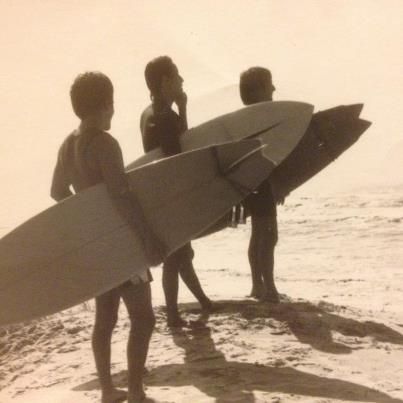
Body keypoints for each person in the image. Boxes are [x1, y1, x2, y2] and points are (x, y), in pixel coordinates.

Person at [51, 72, 162, 403]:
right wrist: (148, 239)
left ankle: (107, 390)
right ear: (104, 105)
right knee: (143, 318)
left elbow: (57, 191)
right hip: (122, 243)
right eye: (111, 104)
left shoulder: (67, 144)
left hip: (97, 245)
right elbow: (122, 196)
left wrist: (89, 215)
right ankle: (138, 392)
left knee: (106, 319)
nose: (114, 111)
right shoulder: (105, 143)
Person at [140, 56, 214, 328]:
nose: (182, 80)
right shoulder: (165, 118)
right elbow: (180, 156)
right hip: (171, 196)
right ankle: (171, 314)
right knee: (177, 256)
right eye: (177, 76)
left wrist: (181, 108)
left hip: (158, 194)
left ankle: (202, 300)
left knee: (183, 254)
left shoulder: (147, 113)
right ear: (165, 81)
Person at [239, 66, 281, 303]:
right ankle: (269, 288)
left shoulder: (245, 120)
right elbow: (269, 154)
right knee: (269, 235)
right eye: (269, 84)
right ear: (257, 91)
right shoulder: (262, 118)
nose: (274, 88)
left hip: (252, 182)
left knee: (259, 235)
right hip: (260, 181)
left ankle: (258, 285)